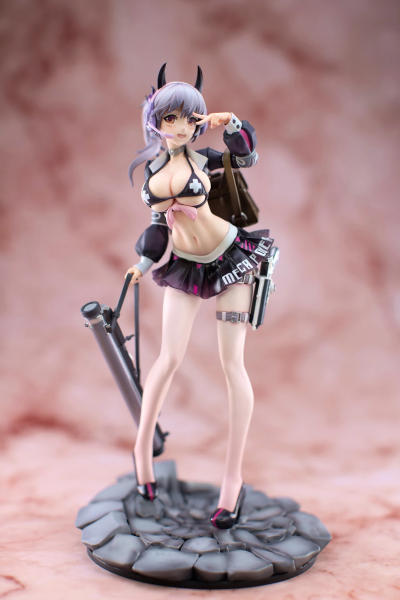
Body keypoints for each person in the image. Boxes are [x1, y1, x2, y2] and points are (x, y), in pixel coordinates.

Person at [125, 64, 273, 529]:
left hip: (231, 260)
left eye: (189, 118)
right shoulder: (153, 169)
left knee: (232, 364)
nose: (179, 126)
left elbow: (246, 157)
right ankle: (141, 453)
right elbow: (157, 228)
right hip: (186, 266)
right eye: (170, 118)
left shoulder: (205, 158)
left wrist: (232, 124)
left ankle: (233, 479)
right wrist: (143, 264)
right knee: (168, 358)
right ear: (156, 121)